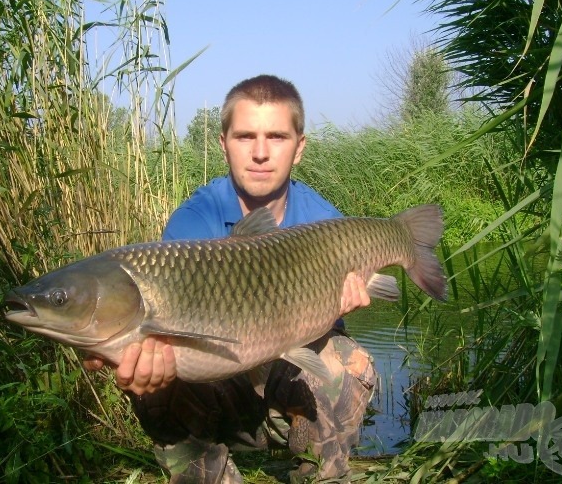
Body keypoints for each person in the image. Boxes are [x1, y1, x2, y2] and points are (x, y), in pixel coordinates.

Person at [84, 75, 376, 483]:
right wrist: (112, 345)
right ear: (223, 143)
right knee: (152, 385)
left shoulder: (327, 224)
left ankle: (319, 470)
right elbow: (157, 334)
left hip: (291, 391)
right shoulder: (193, 222)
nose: (260, 153)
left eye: (276, 136)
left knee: (349, 362)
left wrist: (341, 302)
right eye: (244, 137)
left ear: (300, 146)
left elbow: (338, 325)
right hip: (223, 390)